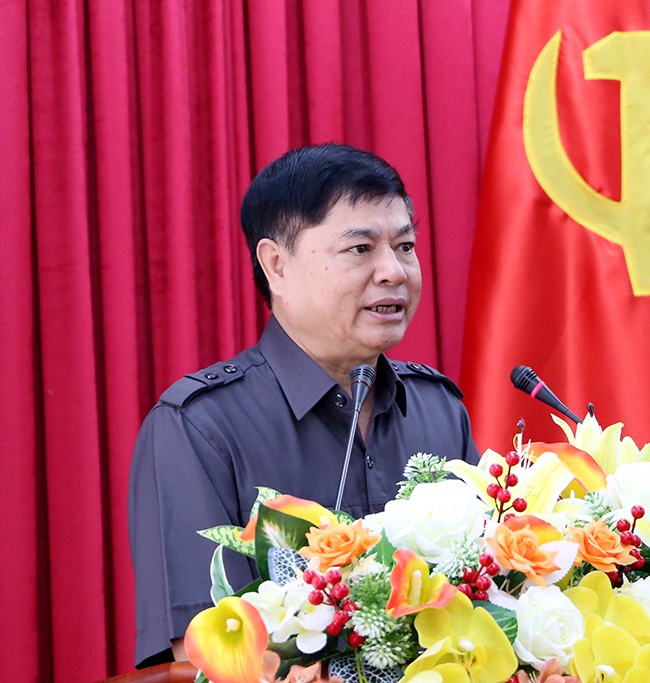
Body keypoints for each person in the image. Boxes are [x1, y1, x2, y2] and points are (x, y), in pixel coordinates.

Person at [128, 143, 480, 668]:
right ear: (276, 265)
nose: (394, 271)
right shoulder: (200, 428)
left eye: (405, 246)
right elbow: (204, 658)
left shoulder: (439, 410)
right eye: (360, 249)